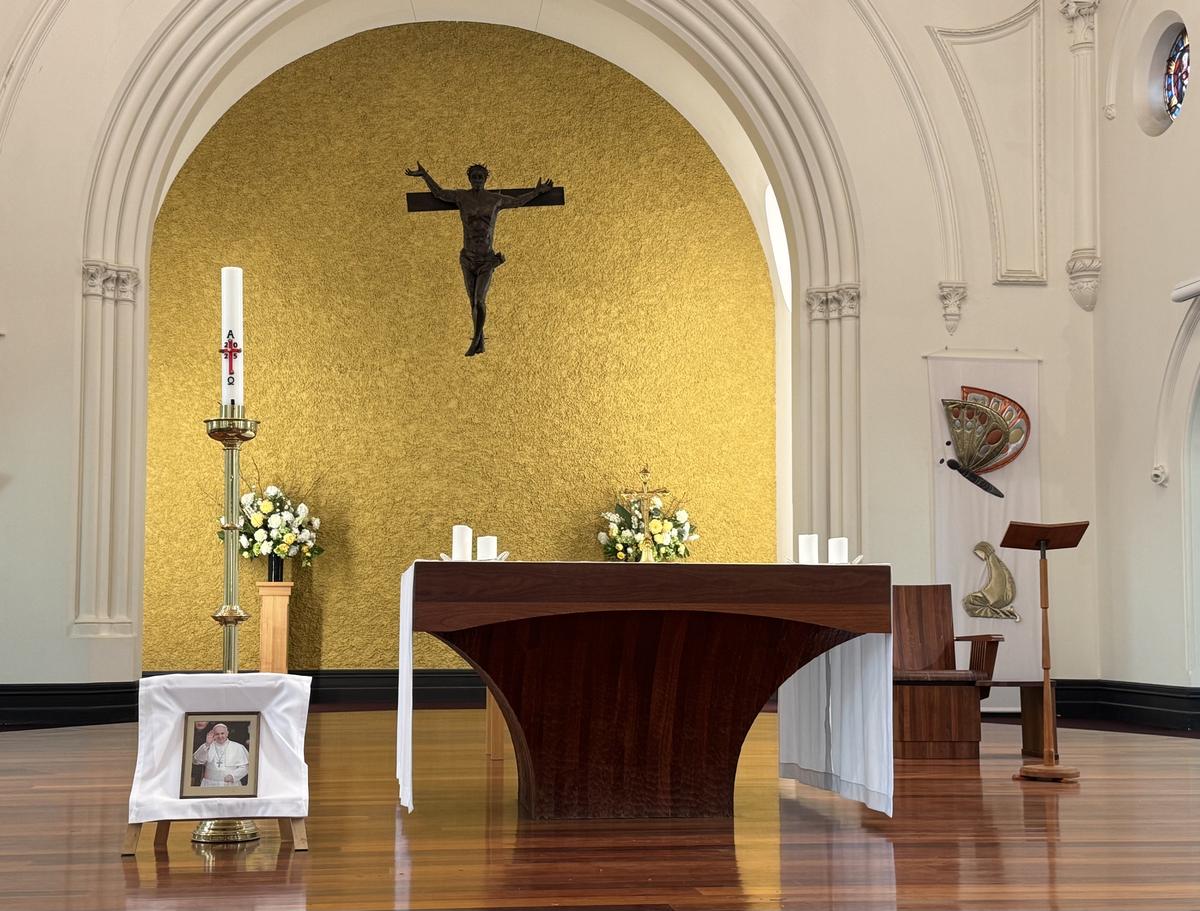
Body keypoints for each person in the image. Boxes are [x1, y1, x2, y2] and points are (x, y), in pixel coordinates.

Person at [406, 162, 554, 356]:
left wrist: (537, 192)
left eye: (480, 177)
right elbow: (439, 194)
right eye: (474, 176)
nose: (477, 179)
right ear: (469, 179)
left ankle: (475, 342)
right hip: (467, 257)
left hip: (486, 259)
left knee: (479, 301)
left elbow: (517, 201)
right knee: (472, 302)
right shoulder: (461, 197)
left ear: (485, 179)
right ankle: (480, 343)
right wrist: (424, 175)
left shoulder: (494, 199)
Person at [192, 722, 250, 787]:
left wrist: (233, 776)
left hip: (230, 784)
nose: (220, 736)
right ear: (213, 735)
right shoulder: (207, 746)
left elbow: (245, 766)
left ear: (227, 733)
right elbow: (196, 760)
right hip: (209, 784)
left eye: (222, 733)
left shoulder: (238, 747)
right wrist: (207, 744)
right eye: (217, 734)